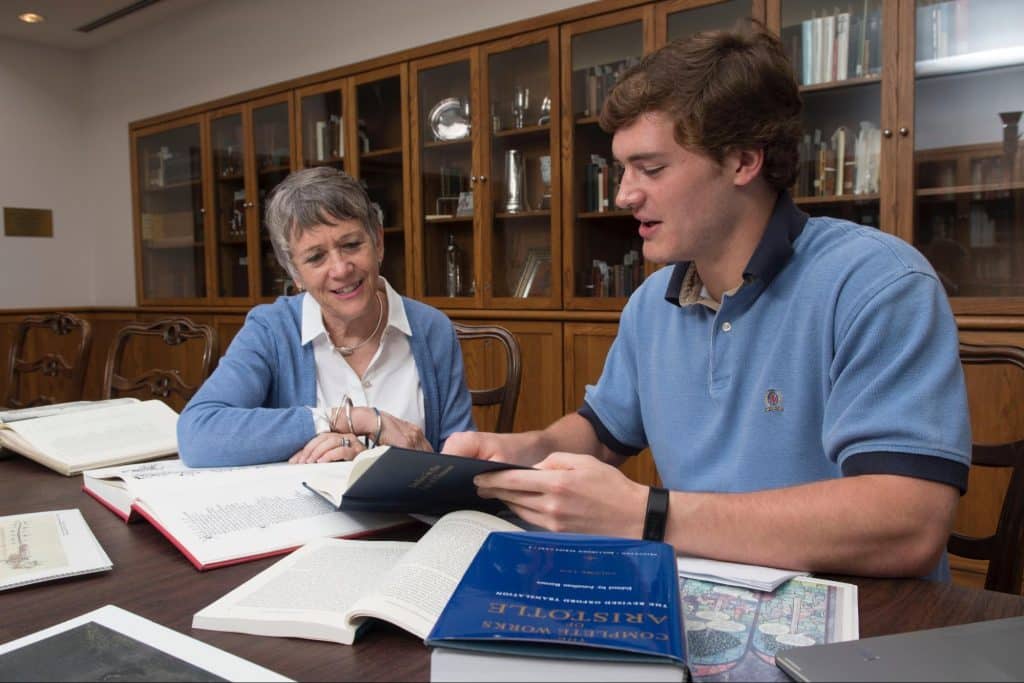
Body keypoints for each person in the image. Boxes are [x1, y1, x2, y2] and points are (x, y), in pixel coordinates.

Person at [444, 22, 971, 580]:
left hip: (858, 631)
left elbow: (909, 522)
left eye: (651, 168)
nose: (624, 194)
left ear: (744, 161)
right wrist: (526, 450)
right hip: (702, 606)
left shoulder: (877, 284)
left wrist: (646, 515)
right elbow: (602, 436)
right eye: (623, 169)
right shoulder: (651, 304)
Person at [178, 167, 474, 466]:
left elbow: (464, 463)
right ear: (295, 273)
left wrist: (424, 464)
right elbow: (198, 434)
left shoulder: (432, 329)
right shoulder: (272, 329)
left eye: (351, 245)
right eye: (316, 257)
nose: (341, 268)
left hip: (414, 510)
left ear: (378, 243)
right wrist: (348, 419)